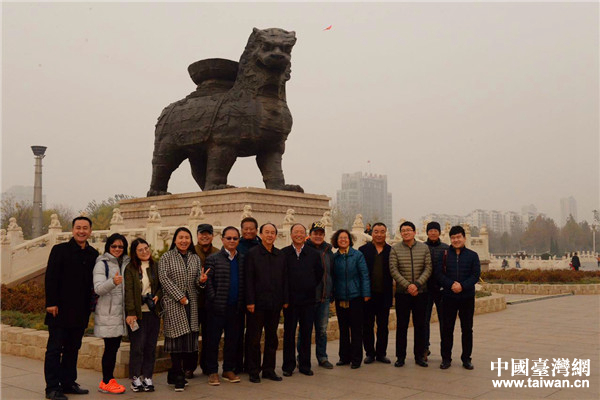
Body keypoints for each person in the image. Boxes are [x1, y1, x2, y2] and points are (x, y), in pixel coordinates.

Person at [44, 216, 99, 400]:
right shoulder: (60, 250)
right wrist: (51, 303)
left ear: (90, 231)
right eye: (78, 228)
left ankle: (68, 382)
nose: (81, 231)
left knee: (73, 348)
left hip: (80, 310)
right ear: (72, 230)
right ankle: (52, 387)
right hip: (59, 309)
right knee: (54, 349)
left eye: (85, 228)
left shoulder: (93, 254)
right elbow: (50, 277)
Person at [159, 227, 209, 392]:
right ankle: (178, 373)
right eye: (181, 237)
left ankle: (173, 373)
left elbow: (196, 283)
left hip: (191, 303)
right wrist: (179, 296)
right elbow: (164, 279)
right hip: (174, 303)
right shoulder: (167, 257)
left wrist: (201, 281)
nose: (184, 241)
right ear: (175, 240)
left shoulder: (194, 258)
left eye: (187, 237)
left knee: (188, 340)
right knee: (175, 340)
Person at [245, 223, 288, 383]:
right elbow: (248, 279)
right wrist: (250, 301)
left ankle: (269, 369)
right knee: (254, 338)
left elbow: (285, 279)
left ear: (276, 236)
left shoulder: (280, 255)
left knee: (272, 338)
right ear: (260, 234)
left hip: (275, 303)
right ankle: (254, 370)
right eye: (267, 232)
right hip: (256, 304)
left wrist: (285, 300)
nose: (270, 235)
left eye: (272, 233)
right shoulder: (252, 254)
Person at [204, 226, 245, 386]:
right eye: (229, 238)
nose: (232, 241)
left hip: (235, 307)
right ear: (222, 240)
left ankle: (228, 369)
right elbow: (207, 282)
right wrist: (213, 300)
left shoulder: (242, 258)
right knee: (213, 341)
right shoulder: (213, 258)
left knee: (232, 340)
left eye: (235, 238)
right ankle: (212, 371)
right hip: (217, 308)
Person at [435, 225, 481, 370]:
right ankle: (446, 358)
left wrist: (462, 286)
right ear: (450, 239)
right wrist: (451, 285)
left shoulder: (472, 256)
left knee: (467, 329)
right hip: (448, 297)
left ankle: (466, 358)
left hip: (466, 297)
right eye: (453, 238)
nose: (456, 240)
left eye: (458, 237)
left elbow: (475, 275)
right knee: (447, 328)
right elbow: (438, 274)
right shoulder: (444, 255)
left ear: (464, 238)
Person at [282, 224, 323, 376]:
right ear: (291, 234)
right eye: (296, 232)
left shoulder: (313, 253)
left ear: (305, 234)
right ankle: (288, 366)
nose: (298, 234)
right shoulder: (284, 253)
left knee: (306, 333)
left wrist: (309, 286)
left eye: (301, 232)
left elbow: (319, 273)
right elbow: (282, 277)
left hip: (308, 301)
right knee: (289, 334)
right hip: (290, 301)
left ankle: (305, 365)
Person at [389, 221, 432, 368]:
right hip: (402, 293)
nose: (406, 232)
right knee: (402, 326)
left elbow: (428, 268)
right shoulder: (395, 249)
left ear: (414, 232)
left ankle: (419, 356)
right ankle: (400, 357)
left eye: (408, 230)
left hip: (421, 293)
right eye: (403, 230)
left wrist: (417, 284)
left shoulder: (424, 248)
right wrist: (408, 285)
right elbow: (393, 270)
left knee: (420, 325)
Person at [93, 233, 130, 394]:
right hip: (108, 313)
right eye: (114, 246)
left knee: (113, 348)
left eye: (120, 246)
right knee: (110, 348)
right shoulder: (102, 264)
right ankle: (106, 381)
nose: (117, 249)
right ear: (108, 247)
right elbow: (98, 289)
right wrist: (112, 282)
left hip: (120, 313)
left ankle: (109, 379)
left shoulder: (126, 263)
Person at [124, 238, 162, 392]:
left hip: (153, 312)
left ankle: (147, 376)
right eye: (140, 250)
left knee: (150, 347)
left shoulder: (155, 266)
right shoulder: (130, 269)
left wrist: (157, 296)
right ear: (135, 252)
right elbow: (129, 293)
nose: (145, 252)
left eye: (146, 248)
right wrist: (131, 313)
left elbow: (161, 286)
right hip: (137, 314)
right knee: (137, 347)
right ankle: (135, 377)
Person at [331, 229, 370, 369]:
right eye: (340, 238)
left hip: (356, 297)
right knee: (343, 328)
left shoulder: (357, 255)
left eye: (345, 238)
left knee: (356, 329)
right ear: (336, 240)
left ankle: (356, 358)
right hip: (340, 297)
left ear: (350, 240)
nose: (343, 240)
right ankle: (344, 357)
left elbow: (364, 274)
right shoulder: (334, 257)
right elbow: (331, 278)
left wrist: (366, 293)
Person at [298, 221, 334, 369]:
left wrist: (332, 292)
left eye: (321, 233)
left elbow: (332, 273)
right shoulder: (304, 250)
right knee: (305, 330)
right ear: (310, 234)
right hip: (308, 298)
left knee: (322, 330)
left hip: (324, 297)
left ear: (324, 235)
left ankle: (322, 357)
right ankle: (302, 358)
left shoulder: (328, 251)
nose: (318, 236)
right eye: (315, 233)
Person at [186, 223, 219, 379]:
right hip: (193, 301)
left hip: (211, 302)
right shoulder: (189, 252)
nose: (205, 236)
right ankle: (189, 367)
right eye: (202, 234)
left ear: (213, 235)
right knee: (192, 335)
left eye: (208, 233)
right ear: (197, 235)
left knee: (210, 336)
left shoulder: (218, 253)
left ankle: (207, 366)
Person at [359, 222, 393, 364]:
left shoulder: (392, 251)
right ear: (372, 233)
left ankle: (381, 353)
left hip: (384, 294)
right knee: (367, 325)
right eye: (376, 231)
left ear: (386, 233)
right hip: (368, 295)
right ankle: (370, 353)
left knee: (383, 326)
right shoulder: (363, 250)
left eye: (382, 231)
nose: (379, 234)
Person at [235, 216, 261, 374]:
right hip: (239, 294)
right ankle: (237, 365)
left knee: (253, 333)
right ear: (241, 230)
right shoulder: (236, 245)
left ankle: (252, 365)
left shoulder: (261, 245)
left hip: (256, 296)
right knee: (237, 332)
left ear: (256, 230)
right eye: (246, 228)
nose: (249, 231)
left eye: (252, 228)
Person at [423, 221, 449, 361]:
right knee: (424, 321)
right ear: (427, 232)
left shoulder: (446, 248)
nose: (433, 233)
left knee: (444, 321)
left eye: (435, 230)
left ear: (439, 232)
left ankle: (445, 351)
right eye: (430, 230)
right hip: (426, 290)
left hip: (441, 290)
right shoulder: (422, 248)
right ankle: (424, 349)